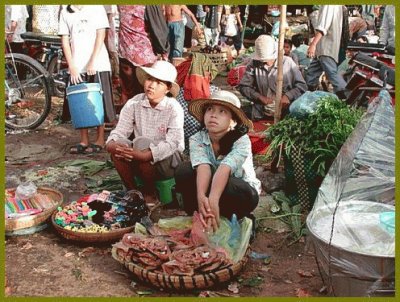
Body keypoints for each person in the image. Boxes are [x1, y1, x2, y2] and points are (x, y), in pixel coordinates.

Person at [175, 90, 261, 232]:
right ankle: (201, 213)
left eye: (222, 111)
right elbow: (203, 167)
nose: (213, 115)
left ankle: (236, 216)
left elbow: (225, 169)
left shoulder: (241, 141)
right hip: (211, 185)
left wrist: (213, 199)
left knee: (235, 186)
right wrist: (201, 196)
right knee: (184, 171)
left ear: (233, 122)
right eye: (210, 109)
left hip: (237, 191)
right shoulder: (197, 138)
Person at [105, 61, 184, 198]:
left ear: (167, 88)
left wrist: (147, 154)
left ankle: (149, 192)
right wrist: (112, 144)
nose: (151, 85)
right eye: (149, 79)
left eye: (158, 82)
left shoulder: (173, 107)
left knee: (143, 143)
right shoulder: (134, 103)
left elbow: (174, 143)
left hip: (168, 163)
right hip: (138, 158)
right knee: (121, 144)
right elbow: (120, 131)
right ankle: (133, 191)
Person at [59, 5, 116, 154]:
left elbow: (101, 34)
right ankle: (84, 140)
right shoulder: (65, 10)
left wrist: (92, 61)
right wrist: (71, 65)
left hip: (98, 63)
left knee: (98, 101)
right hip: (77, 65)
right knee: (80, 102)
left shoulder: (97, 7)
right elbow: (65, 40)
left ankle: (100, 139)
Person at [238, 35, 307, 120]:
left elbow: (302, 86)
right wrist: (260, 97)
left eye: (266, 59)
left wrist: (288, 96)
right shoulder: (254, 64)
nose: (264, 62)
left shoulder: (287, 62)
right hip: (261, 109)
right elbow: (243, 87)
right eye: (262, 60)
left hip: (286, 111)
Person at [306, 5, 349, 100]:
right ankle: (308, 97)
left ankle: (347, 97)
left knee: (332, 74)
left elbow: (323, 27)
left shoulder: (329, 5)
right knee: (311, 73)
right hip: (322, 48)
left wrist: (313, 44)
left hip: (326, 47)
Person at [118, 5, 157, 106]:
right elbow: (157, 27)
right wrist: (163, 50)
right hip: (143, 53)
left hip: (126, 50)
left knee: (129, 88)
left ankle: (130, 113)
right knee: (147, 86)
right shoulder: (145, 5)